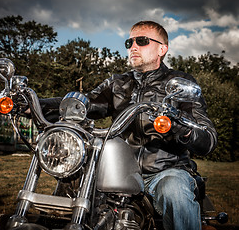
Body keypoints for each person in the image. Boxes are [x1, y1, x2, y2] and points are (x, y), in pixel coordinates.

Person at [84, 21, 217, 230]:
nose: (133, 47)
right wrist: (33, 103)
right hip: (118, 171)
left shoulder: (180, 83)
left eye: (142, 41)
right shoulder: (117, 84)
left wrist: (184, 129)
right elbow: (83, 104)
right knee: (76, 182)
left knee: (174, 190)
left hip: (165, 171)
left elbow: (208, 138)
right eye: (130, 42)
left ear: (162, 49)